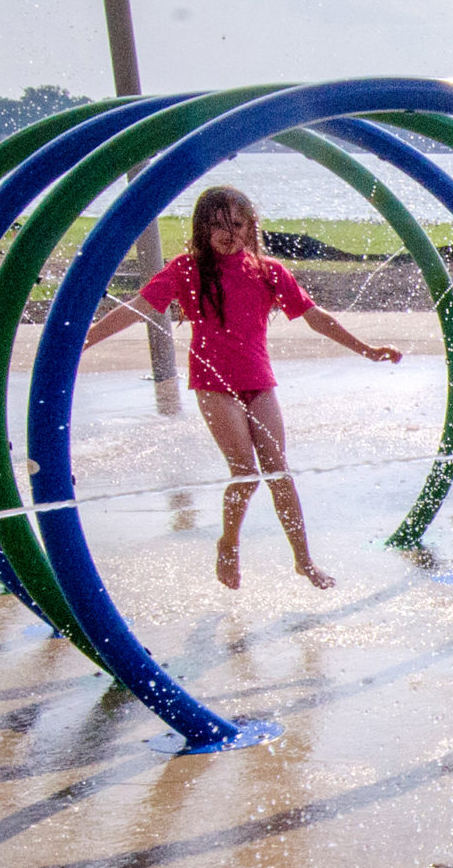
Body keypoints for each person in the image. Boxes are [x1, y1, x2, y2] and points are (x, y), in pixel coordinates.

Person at [85, 185, 403, 591]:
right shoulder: (186, 269)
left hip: (259, 382)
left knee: (279, 472)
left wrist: (366, 349)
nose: (227, 233)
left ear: (251, 226)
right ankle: (229, 543)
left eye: (236, 224)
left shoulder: (267, 271)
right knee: (245, 474)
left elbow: (314, 316)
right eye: (217, 225)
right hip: (214, 385)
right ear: (202, 228)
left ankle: (304, 562)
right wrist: (86, 339)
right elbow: (137, 308)